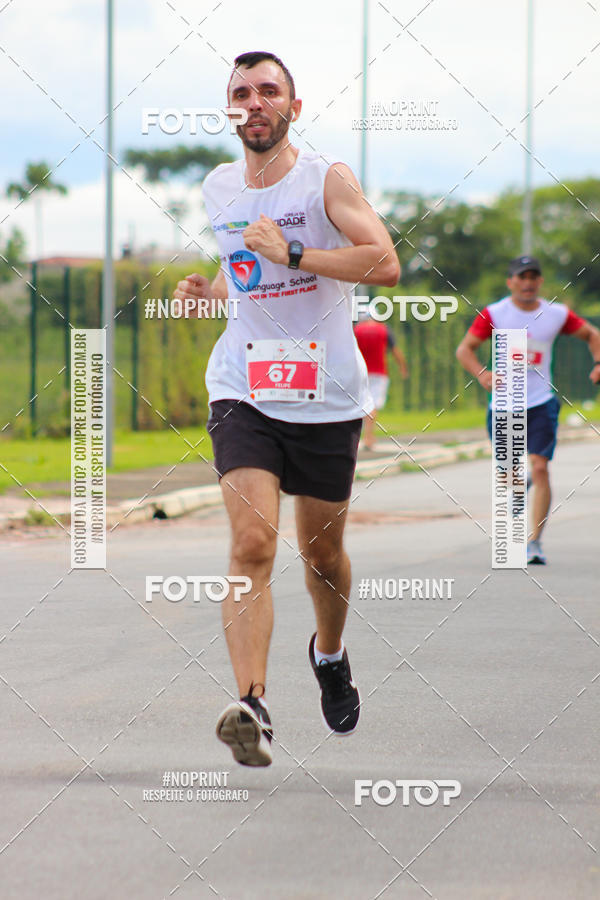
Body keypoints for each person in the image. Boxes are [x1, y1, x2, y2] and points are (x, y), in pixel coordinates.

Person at [174, 51, 400, 766]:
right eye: (241, 93)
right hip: (243, 388)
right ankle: (253, 704)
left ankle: (329, 654)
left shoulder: (325, 179)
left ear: (292, 109)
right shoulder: (217, 189)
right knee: (251, 545)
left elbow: (385, 263)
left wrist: (298, 252)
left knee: (322, 555)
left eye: (269, 90)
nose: (255, 101)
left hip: (326, 394)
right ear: (231, 112)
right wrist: (211, 293)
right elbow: (241, 265)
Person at [456, 255, 600, 565]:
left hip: (540, 402)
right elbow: (464, 349)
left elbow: (592, 335)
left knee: (539, 467)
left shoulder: (555, 314)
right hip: (504, 405)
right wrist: (482, 374)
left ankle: (534, 542)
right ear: (511, 282)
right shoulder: (495, 313)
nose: (528, 283)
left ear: (540, 282)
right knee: (511, 477)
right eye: (522, 277)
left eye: (533, 277)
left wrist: (598, 363)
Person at [354, 315, 408, 450]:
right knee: (372, 406)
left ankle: (364, 437)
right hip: (379, 372)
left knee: (360, 404)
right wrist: (403, 367)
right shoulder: (384, 330)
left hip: (360, 372)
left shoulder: (357, 330)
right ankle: (368, 438)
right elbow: (395, 350)